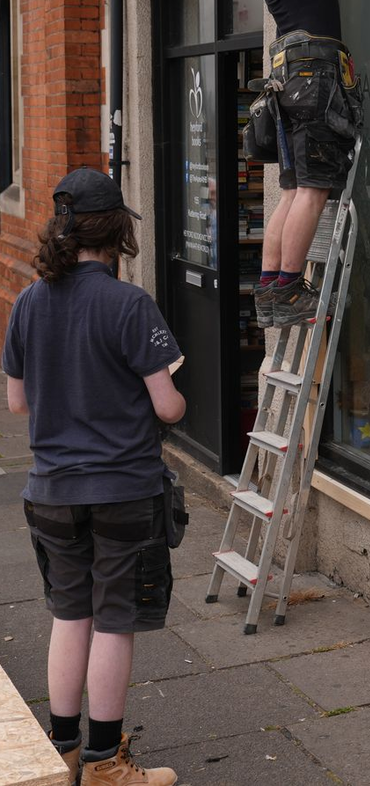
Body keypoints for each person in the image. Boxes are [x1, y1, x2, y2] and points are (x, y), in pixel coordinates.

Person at [3, 168, 186, 785]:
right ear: (115, 235)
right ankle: (108, 765)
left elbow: (17, 404)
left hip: (51, 491)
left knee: (69, 616)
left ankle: (64, 754)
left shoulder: (28, 302)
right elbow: (167, 407)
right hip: (123, 491)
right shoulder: (129, 304)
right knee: (113, 620)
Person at [216, 0, 361, 328]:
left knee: (295, 189)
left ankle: (274, 288)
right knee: (315, 189)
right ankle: (292, 288)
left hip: (289, 75)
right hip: (315, 73)